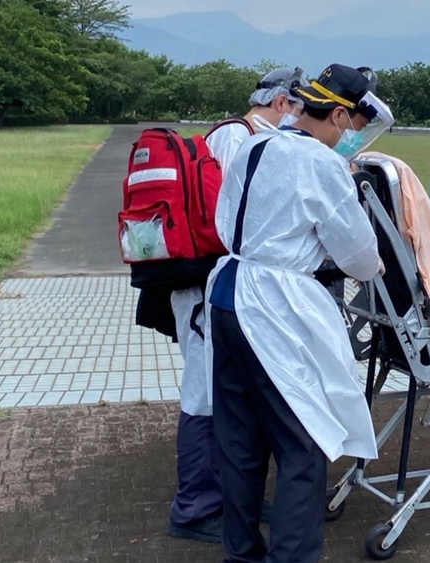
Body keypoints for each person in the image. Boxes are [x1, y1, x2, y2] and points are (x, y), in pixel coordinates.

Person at [206, 64, 393, 562]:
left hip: (227, 291)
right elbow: (358, 255)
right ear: (336, 114)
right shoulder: (321, 164)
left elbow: (229, 217)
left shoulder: (254, 144)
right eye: (351, 125)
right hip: (272, 308)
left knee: (241, 445)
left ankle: (241, 553)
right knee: (303, 445)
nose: (351, 136)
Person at [165, 67, 309, 544]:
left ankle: (227, 497)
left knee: (224, 397)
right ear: (282, 103)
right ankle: (195, 506)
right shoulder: (237, 138)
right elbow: (236, 219)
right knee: (203, 396)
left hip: (215, 284)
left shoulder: (242, 135)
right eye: (298, 106)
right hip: (206, 283)